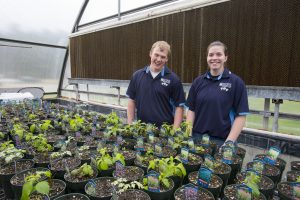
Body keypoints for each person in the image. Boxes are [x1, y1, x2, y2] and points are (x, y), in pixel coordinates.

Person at [186, 41, 249, 147]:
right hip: (197, 139)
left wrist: (228, 143)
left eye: (219, 54)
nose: (214, 58)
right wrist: (188, 135)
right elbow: (191, 110)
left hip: (222, 142)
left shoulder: (236, 83)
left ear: (225, 57)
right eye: (211, 55)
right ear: (207, 58)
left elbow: (241, 116)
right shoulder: (198, 82)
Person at [126, 41, 185, 128]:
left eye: (163, 57)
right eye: (156, 55)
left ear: (167, 59)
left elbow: (179, 107)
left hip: (164, 132)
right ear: (150, 54)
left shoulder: (174, 79)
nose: (158, 59)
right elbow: (131, 100)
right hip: (141, 129)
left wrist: (174, 131)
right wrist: (130, 124)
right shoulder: (137, 76)